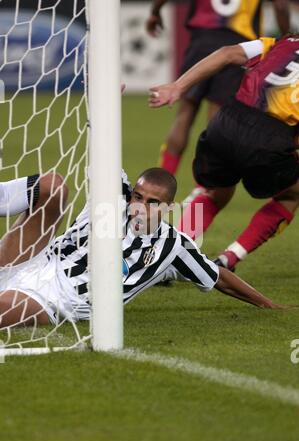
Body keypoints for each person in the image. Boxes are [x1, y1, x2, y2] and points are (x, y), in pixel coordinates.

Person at [0, 168, 286, 329]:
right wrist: (106, 100)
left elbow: (219, 276)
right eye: (138, 197)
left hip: (51, 299)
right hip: (34, 259)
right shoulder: (113, 197)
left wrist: (268, 304)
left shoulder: (174, 246)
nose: (141, 207)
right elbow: (101, 144)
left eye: (152, 203)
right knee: (53, 186)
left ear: (168, 208)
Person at [149, 34, 299, 270]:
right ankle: (230, 257)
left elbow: (227, 54)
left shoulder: (284, 42)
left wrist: (177, 86)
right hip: (272, 137)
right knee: (291, 194)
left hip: (227, 121)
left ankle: (168, 255)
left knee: (215, 191)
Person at [145, 0, 290, 177]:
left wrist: (155, 11)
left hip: (202, 40)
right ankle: (205, 189)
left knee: (184, 116)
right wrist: (286, 41)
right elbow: (281, 5)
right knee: (216, 123)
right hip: (238, 43)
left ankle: (161, 182)